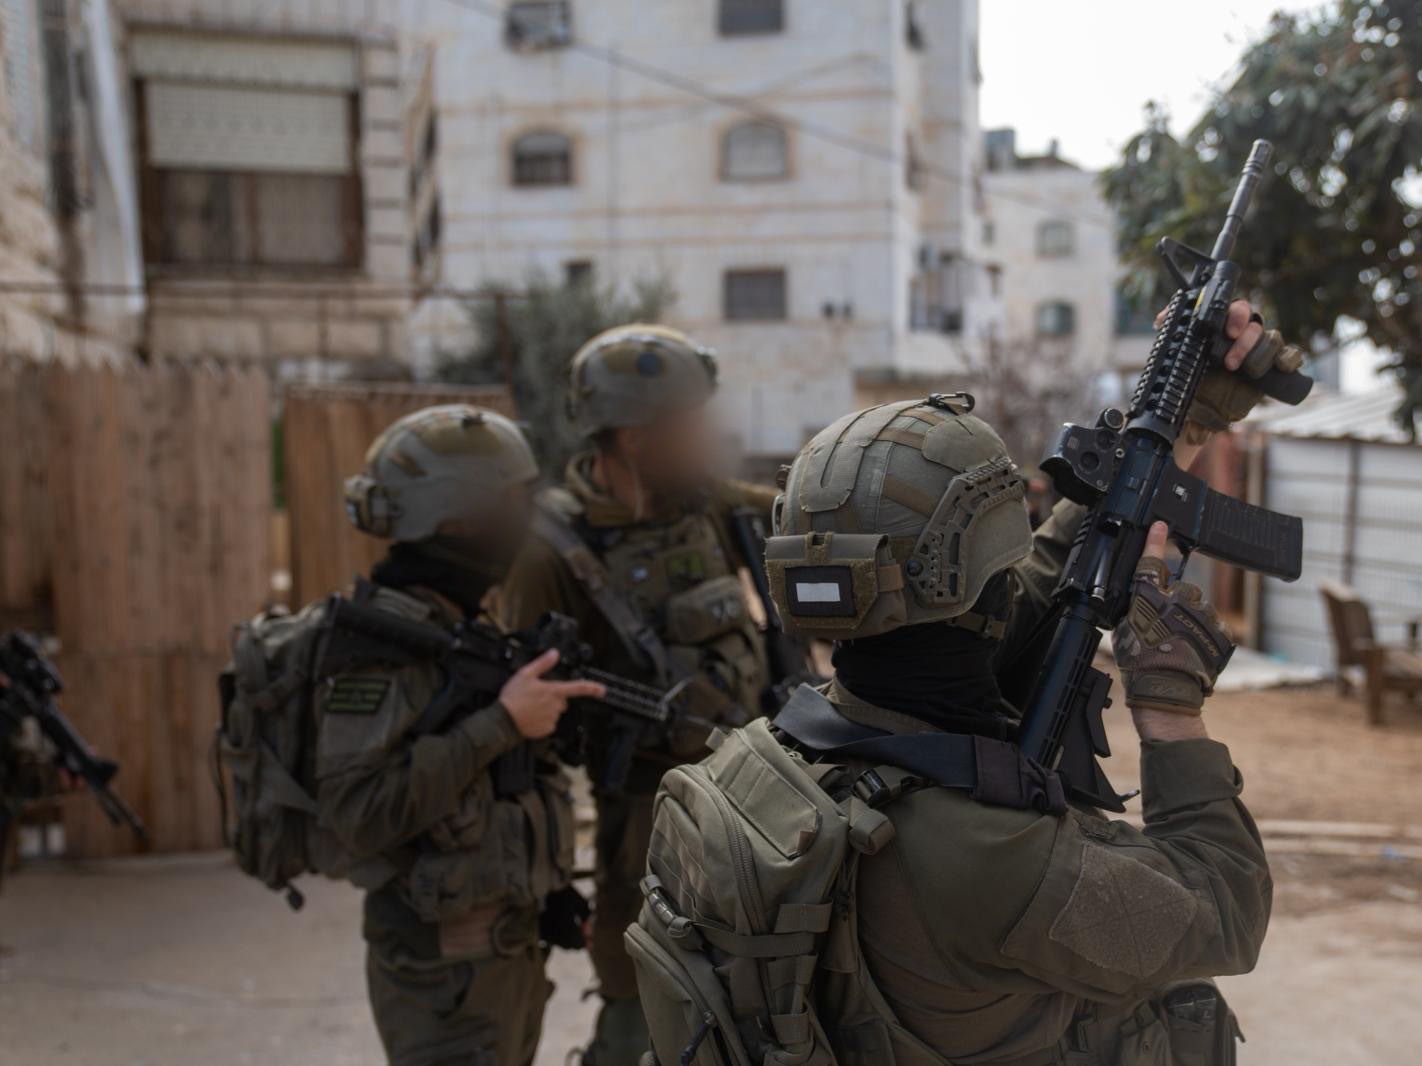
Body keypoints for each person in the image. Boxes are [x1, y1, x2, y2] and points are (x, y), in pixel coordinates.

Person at [634, 302, 1301, 1064]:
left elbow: (1020, 595)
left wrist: (1181, 414)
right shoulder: (990, 861)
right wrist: (1170, 709)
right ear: (980, 595)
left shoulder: (764, 765)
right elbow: (1225, 907)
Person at [500, 324, 786, 1066]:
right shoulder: (549, 550)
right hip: (643, 834)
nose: (707, 437)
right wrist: (546, 879)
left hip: (753, 808)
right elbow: (527, 737)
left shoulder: (706, 503)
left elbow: (803, 516)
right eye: (689, 423)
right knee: (641, 1018)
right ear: (634, 436)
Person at [321, 404, 604, 1066]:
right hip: (443, 976)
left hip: (501, 949)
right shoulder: (380, 647)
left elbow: (490, 792)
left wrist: (546, 891)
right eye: (514, 503)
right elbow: (359, 813)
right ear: (459, 517)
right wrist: (503, 722)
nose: (526, 520)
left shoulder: (461, 621)